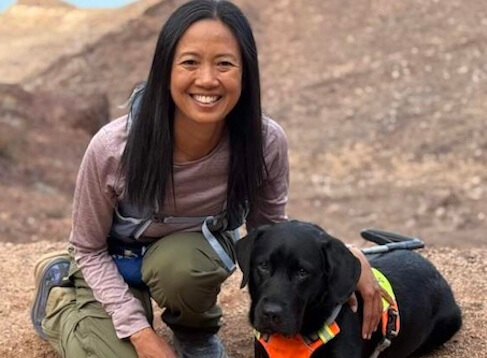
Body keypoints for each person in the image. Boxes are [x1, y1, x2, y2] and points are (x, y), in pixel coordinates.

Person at [30, 1, 388, 357]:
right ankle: (59, 301)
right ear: (164, 69)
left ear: (245, 73)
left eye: (224, 64)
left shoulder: (264, 142)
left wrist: (344, 255)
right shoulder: (113, 149)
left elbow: (271, 232)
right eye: (190, 62)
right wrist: (139, 333)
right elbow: (89, 248)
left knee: (186, 265)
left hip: (181, 262)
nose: (206, 79)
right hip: (110, 260)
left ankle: (194, 331)